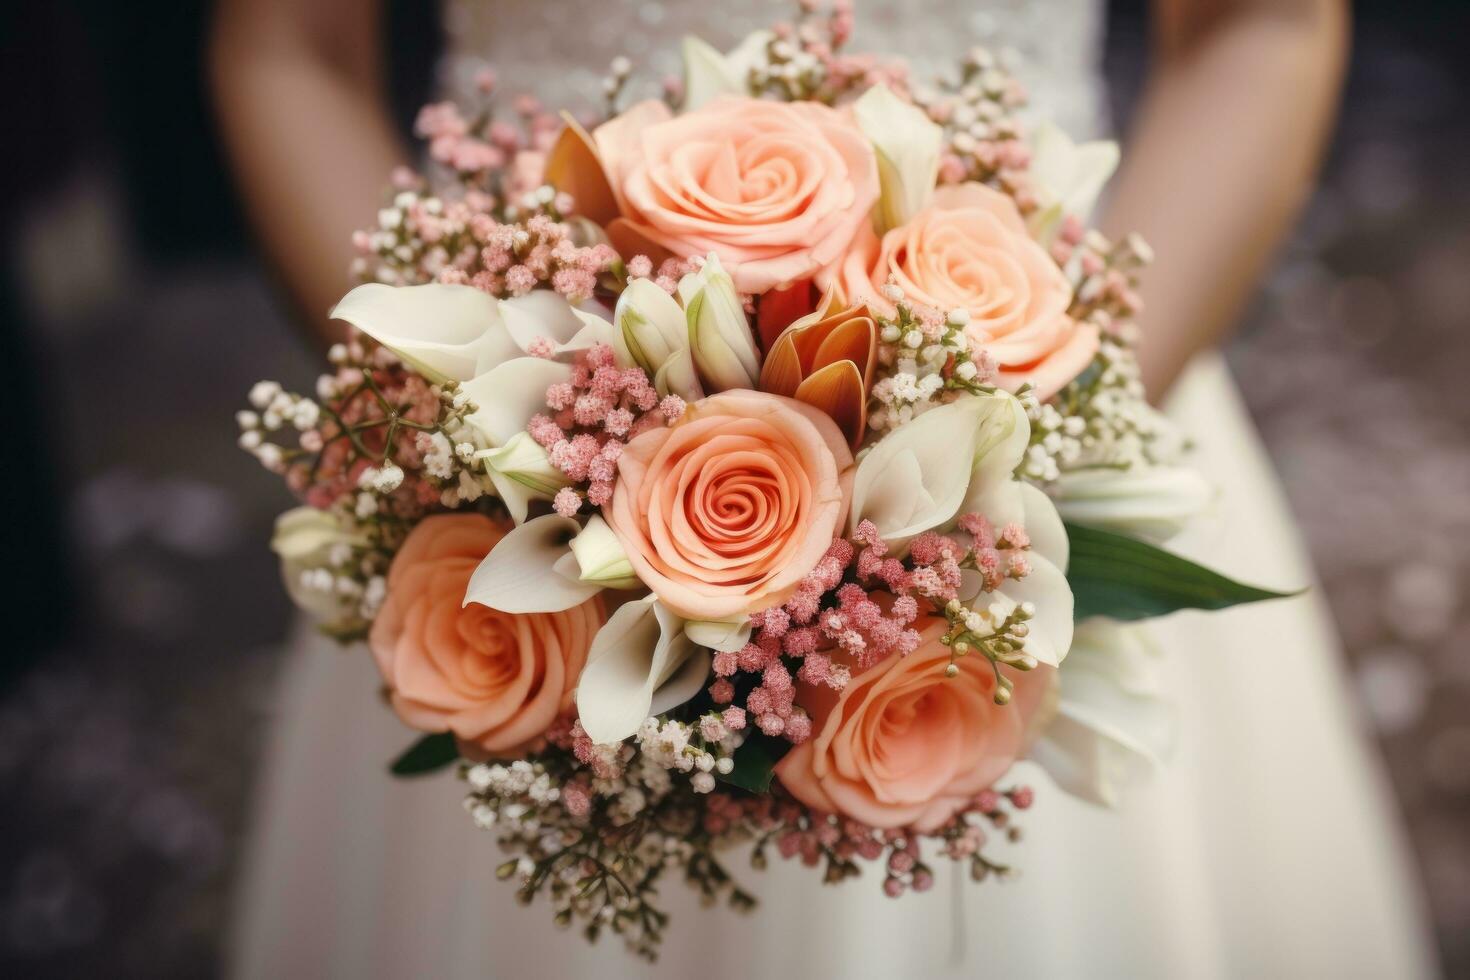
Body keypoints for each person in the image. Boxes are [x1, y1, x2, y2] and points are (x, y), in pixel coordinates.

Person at [211, 1, 1439, 977]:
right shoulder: (506, 476)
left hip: (1043, 420)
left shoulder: (1023, 477)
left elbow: (1260, 22)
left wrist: (1016, 484)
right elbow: (287, 46)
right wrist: (481, 449)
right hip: (520, 485)